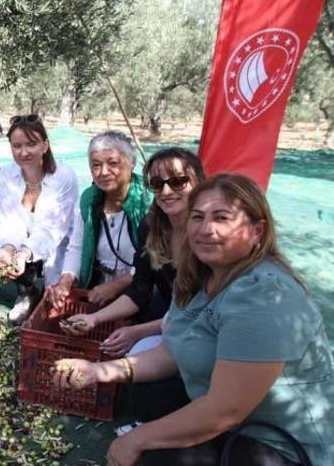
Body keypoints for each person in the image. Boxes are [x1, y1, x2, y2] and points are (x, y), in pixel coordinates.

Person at [53, 174, 334, 466]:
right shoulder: (198, 277)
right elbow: (170, 351)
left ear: (257, 231)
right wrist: (98, 371)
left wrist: (139, 438)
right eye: (197, 217)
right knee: (148, 396)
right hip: (227, 414)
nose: (206, 229)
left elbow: (224, 411)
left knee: (154, 457)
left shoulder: (266, 296)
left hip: (277, 443)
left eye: (222, 217)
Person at [62, 148, 205, 357]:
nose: (166, 192)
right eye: (157, 184)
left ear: (198, 182)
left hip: (205, 331)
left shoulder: (207, 235)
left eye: (177, 182)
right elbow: (140, 289)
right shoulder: (152, 228)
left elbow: (198, 311)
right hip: (171, 323)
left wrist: (137, 332)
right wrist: (94, 319)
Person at [45, 130, 150, 309]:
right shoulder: (89, 200)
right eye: (96, 165)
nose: (103, 172)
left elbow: (156, 261)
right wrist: (65, 280)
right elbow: (77, 248)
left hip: (141, 291)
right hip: (97, 290)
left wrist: (117, 285)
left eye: (113, 163)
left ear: (131, 163)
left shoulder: (148, 202)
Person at [0, 114, 78, 324]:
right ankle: (26, 292)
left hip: (60, 243)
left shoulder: (64, 176)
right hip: (25, 243)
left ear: (45, 145)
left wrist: (24, 253)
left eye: (31, 144)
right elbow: (6, 221)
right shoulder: (5, 175)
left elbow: (53, 229)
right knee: (11, 256)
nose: (24, 152)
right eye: (17, 145)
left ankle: (46, 287)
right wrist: (9, 249)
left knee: (55, 308)